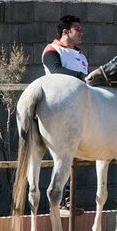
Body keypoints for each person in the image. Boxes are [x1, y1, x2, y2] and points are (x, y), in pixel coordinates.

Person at [42, 15, 88, 216]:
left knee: (74, 159)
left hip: (79, 110)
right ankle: (62, 200)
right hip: (57, 108)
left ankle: (68, 200)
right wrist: (81, 77)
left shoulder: (81, 55)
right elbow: (55, 70)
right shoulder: (52, 50)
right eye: (77, 29)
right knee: (64, 157)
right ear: (65, 32)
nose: (81, 33)